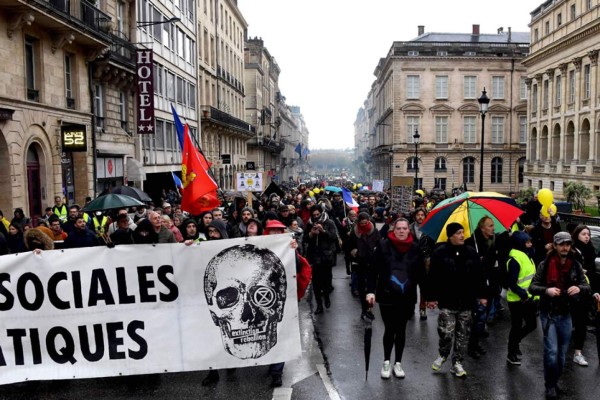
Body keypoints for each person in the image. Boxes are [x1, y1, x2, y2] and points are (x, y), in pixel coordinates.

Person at [528, 232, 590, 399]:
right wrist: (546, 290)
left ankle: (554, 382)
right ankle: (549, 385)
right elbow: (532, 287)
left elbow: (586, 286)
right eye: (561, 244)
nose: (565, 247)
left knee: (562, 356)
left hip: (566, 314)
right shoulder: (545, 264)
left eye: (568, 244)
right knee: (552, 352)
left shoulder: (575, 264)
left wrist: (579, 288)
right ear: (555, 245)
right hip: (549, 314)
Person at [426, 222, 487, 378]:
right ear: (450, 236)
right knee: (446, 332)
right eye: (458, 233)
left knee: (463, 335)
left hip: (466, 301)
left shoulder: (471, 253)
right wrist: (431, 297)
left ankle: (457, 363)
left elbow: (479, 276)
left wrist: (482, 295)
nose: (462, 235)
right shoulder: (440, 253)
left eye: (463, 232)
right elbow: (432, 277)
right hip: (447, 301)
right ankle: (444, 353)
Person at [366, 218, 424, 379]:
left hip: (407, 296)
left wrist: (428, 296)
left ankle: (398, 362)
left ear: (408, 230)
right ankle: (386, 361)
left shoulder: (415, 248)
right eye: (398, 228)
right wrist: (370, 291)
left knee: (401, 330)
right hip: (386, 295)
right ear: (393, 230)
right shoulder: (383, 246)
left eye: (404, 228)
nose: (401, 231)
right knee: (390, 329)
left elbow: (421, 274)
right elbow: (372, 271)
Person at [464, 215, 501, 358]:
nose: (493, 228)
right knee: (478, 316)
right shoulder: (471, 242)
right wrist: (476, 260)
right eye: (490, 225)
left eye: (493, 225)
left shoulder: (492, 241)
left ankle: (474, 342)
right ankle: (472, 346)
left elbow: (494, 262)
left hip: (489, 284)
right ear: (482, 227)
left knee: (482, 317)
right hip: (476, 286)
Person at [505, 231, 538, 365]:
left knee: (531, 325)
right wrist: (523, 295)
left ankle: (515, 341)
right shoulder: (515, 260)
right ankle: (511, 352)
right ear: (520, 243)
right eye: (527, 242)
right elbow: (511, 283)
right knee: (517, 326)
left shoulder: (527, 255)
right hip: (517, 300)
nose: (530, 244)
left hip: (528, 298)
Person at [304, 204, 338, 315]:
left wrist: (323, 231)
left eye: (318, 214)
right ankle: (319, 305)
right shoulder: (309, 224)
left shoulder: (329, 222)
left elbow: (334, 237)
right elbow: (305, 239)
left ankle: (327, 296)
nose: (316, 217)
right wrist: (311, 234)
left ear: (321, 213)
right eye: (314, 215)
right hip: (314, 256)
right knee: (316, 282)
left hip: (326, 256)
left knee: (326, 280)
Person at [570, 224, 596, 367]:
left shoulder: (590, 250)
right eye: (583, 234)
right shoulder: (573, 251)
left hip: (585, 291)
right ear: (577, 235)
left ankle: (578, 353)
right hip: (573, 291)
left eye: (588, 234)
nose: (587, 236)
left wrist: (595, 291)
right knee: (569, 321)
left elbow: (592, 272)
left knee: (582, 323)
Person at [348, 212, 381, 320]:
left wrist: (376, 250)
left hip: (372, 262)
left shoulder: (374, 230)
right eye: (362, 223)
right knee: (362, 288)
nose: (364, 225)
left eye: (366, 223)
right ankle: (363, 309)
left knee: (371, 288)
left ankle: (369, 309)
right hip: (360, 262)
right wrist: (353, 251)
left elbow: (379, 243)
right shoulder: (354, 231)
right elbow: (348, 245)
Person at [409, 207, 433, 321]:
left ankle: (423, 308)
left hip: (425, 261)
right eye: (418, 215)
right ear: (415, 216)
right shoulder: (409, 228)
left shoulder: (429, 229)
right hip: (412, 260)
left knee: (424, 286)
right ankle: (411, 306)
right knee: (411, 285)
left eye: (422, 215)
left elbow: (433, 245)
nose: (420, 217)